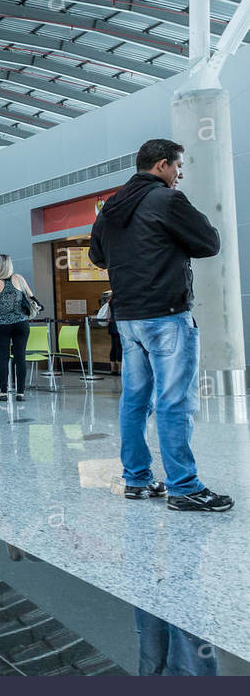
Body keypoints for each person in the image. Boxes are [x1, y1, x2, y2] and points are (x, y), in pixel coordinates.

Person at [89, 137, 231, 511]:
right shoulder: (167, 200)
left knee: (135, 400)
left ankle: (136, 479)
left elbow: (97, 256)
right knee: (175, 401)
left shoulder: (111, 207)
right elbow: (209, 242)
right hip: (166, 316)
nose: (180, 174)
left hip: (129, 320)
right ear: (162, 164)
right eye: (178, 166)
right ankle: (184, 487)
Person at [0, 254, 35, 403]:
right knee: (20, 357)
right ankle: (20, 393)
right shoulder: (19, 278)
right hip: (21, 324)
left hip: (2, 325)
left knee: (3, 358)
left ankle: (3, 392)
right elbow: (31, 297)